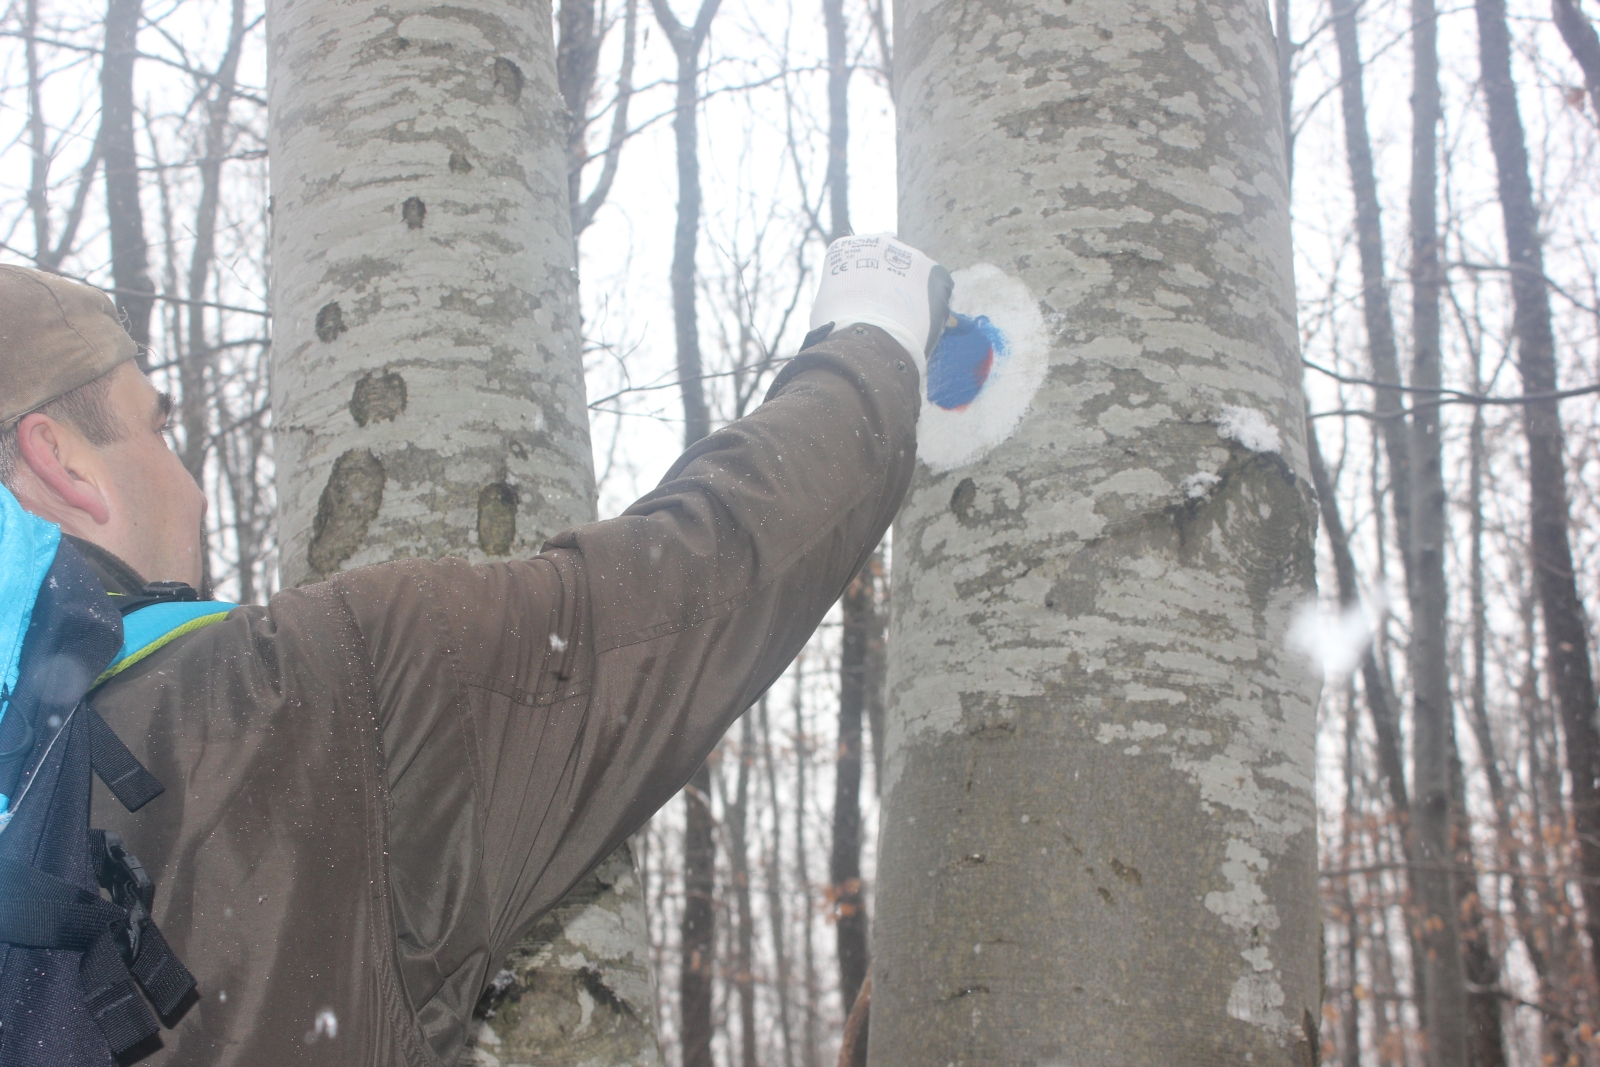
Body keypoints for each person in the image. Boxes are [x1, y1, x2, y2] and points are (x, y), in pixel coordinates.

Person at [0, 235, 950, 1065]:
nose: (193, 483)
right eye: (158, 427)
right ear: (62, 462)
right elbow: (691, 586)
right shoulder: (286, 706)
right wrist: (874, 338)